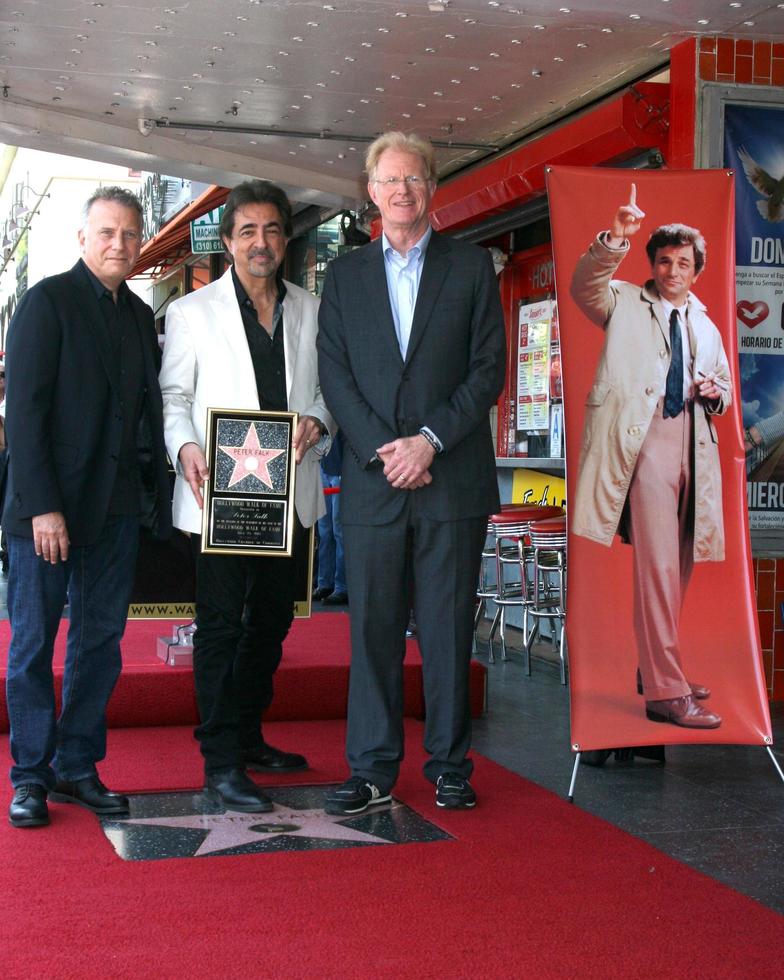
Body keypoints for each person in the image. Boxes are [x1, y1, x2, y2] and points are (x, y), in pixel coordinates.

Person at [317, 132, 506, 812]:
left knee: (449, 629)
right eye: (389, 181)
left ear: (432, 188)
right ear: (371, 192)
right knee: (371, 631)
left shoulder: (472, 267)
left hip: (450, 480)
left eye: (415, 180)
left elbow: (490, 369)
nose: (402, 192)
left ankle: (451, 765)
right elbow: (335, 378)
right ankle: (370, 768)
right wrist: (387, 450)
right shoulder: (343, 278)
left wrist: (428, 441)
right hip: (373, 483)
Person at [159, 180, 334, 813]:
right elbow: (173, 399)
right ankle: (220, 760)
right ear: (229, 240)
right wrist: (184, 448)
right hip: (219, 496)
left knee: (273, 620)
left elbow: (326, 391)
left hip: (289, 490)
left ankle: (249, 732)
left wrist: (319, 419)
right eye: (248, 231)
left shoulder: (313, 310)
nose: (262, 243)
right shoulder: (190, 312)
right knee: (221, 626)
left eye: (273, 231)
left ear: (286, 240)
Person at [4, 186, 172, 829]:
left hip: (116, 510)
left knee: (99, 644)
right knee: (33, 646)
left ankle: (77, 765)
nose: (119, 245)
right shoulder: (46, 303)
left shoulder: (136, 314)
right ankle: (30, 776)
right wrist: (44, 508)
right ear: (83, 238)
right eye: (106, 232)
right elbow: (24, 415)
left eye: (130, 235)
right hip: (46, 512)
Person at [570, 184, 732, 730]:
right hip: (645, 445)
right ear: (652, 264)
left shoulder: (706, 324)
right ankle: (665, 692)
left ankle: (656, 668)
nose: (672, 270)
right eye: (663, 260)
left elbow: (725, 391)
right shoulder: (622, 301)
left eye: (683, 262)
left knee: (679, 565)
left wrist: (716, 392)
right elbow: (583, 286)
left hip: (695, 444)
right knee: (658, 568)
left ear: (696, 269)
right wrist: (616, 238)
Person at [312, 430, 347, 605]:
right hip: (323, 463)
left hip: (341, 466)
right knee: (324, 530)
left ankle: (341, 587)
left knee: (338, 531)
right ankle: (325, 582)